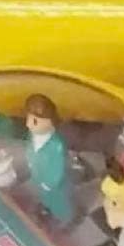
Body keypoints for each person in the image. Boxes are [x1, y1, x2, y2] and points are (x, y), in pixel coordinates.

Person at [24, 93, 75, 227]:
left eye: (35, 121)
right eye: (28, 119)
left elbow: (57, 168)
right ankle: (46, 210)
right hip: (38, 176)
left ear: (50, 121)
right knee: (44, 197)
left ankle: (63, 219)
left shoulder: (56, 146)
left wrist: (49, 183)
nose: (28, 124)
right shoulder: (32, 135)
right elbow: (29, 148)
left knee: (59, 201)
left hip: (55, 184)